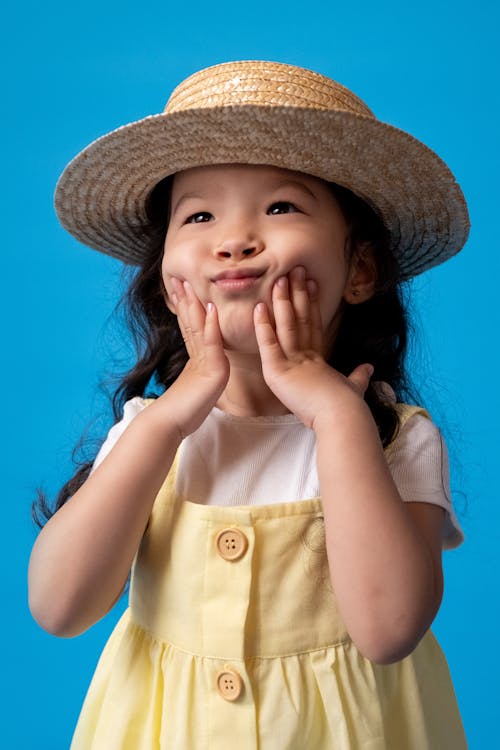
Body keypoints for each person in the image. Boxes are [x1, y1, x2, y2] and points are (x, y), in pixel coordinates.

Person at [28, 61, 469, 748]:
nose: (234, 239)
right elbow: (59, 607)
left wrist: (334, 416)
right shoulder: (152, 433)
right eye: (199, 215)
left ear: (359, 271)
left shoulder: (389, 436)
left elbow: (388, 630)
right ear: (169, 281)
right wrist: (173, 415)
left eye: (281, 207)